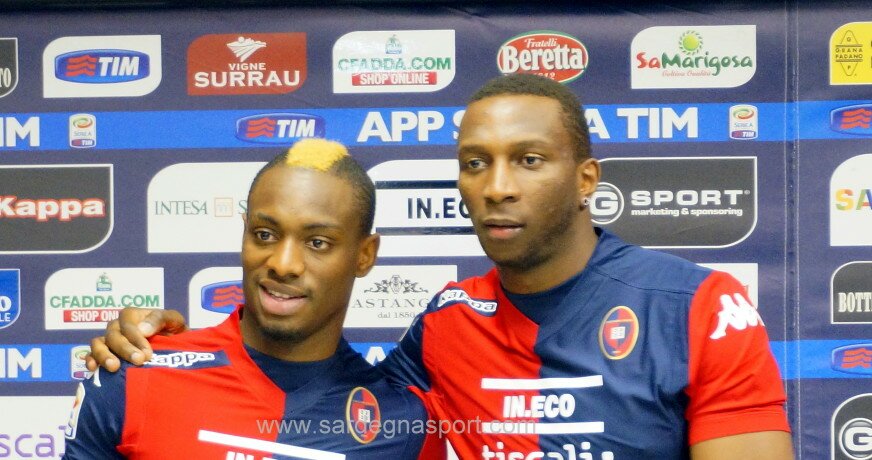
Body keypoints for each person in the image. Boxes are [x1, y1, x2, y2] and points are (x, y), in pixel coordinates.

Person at [88, 74, 794, 460]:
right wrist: (154, 343)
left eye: (529, 160)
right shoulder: (448, 322)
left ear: (585, 179)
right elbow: (318, 383)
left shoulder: (696, 306)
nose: (497, 187)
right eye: (474, 163)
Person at [64, 139, 443, 459]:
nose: (283, 263)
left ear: (364, 256)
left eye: (317, 243)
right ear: (244, 232)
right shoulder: (136, 376)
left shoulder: (403, 425)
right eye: (265, 234)